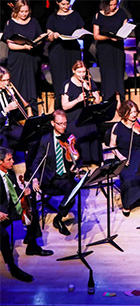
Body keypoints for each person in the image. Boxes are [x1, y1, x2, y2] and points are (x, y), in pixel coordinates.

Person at [0, 146, 53, 282]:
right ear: (0, 162)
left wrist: (23, 192)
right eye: (9, 159)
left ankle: (32, 246)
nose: (13, 162)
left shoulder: (10, 173)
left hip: (9, 209)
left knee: (31, 212)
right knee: (3, 235)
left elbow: (15, 190)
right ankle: (13, 267)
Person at [31, 110, 80, 236]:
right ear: (53, 123)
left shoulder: (70, 137)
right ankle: (59, 218)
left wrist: (76, 166)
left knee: (72, 195)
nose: (63, 127)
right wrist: (35, 179)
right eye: (59, 124)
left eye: (65, 123)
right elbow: (36, 160)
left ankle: (58, 218)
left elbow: (79, 156)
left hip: (66, 175)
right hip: (52, 176)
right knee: (71, 196)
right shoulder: (45, 140)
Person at [109, 100, 140, 218]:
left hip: (139, 153)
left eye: (135, 112)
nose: (134, 115)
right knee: (127, 178)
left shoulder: (139, 125)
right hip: (124, 156)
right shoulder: (117, 127)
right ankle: (127, 205)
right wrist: (121, 158)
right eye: (130, 112)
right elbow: (112, 146)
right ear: (124, 113)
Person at [3, 0, 47, 115]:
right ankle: (17, 114)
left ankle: (32, 112)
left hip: (31, 58)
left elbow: (39, 37)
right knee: (17, 84)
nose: (24, 14)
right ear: (16, 11)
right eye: (21, 11)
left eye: (26, 11)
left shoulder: (34, 22)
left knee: (31, 85)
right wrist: (24, 47)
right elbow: (10, 44)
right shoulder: (10, 23)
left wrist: (40, 39)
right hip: (17, 59)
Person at [61, 60, 102, 165]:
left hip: (86, 115)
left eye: (83, 72)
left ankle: (95, 160)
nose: (81, 75)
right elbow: (64, 106)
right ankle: (82, 161)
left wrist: (89, 88)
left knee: (93, 130)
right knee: (80, 131)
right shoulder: (67, 84)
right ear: (73, 71)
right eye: (79, 72)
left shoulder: (89, 81)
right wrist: (77, 100)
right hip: (73, 116)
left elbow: (97, 101)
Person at [0, 67, 38, 180]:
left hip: (10, 127)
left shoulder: (7, 93)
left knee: (34, 139)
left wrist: (15, 101)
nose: (8, 83)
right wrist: (6, 110)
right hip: (1, 130)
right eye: (5, 80)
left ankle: (29, 173)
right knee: (6, 153)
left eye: (8, 80)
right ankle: (9, 181)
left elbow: (16, 116)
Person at [46, 0, 84, 110]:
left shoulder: (75, 15)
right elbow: (49, 36)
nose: (66, 7)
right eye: (63, 4)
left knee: (74, 77)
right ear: (57, 3)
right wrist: (54, 35)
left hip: (73, 49)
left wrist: (80, 34)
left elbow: (81, 31)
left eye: (68, 4)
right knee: (60, 80)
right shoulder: (52, 18)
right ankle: (60, 109)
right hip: (58, 51)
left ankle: (76, 107)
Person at [93, 0, 127, 102]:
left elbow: (125, 30)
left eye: (114, 4)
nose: (113, 7)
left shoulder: (121, 13)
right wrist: (109, 37)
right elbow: (96, 35)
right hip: (104, 49)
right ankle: (108, 99)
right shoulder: (98, 15)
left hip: (118, 48)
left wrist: (122, 35)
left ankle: (119, 98)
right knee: (107, 74)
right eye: (110, 5)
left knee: (118, 73)